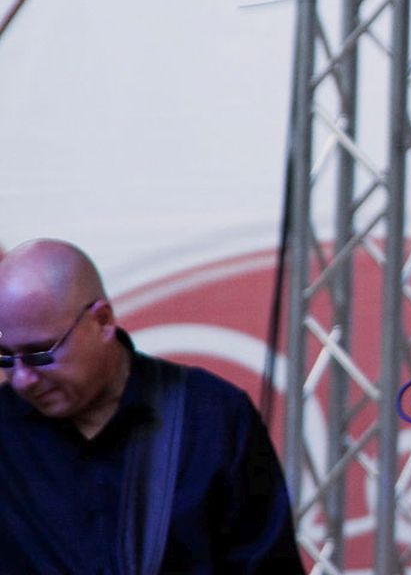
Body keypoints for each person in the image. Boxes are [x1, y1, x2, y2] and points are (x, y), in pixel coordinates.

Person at [0, 239, 304, 574]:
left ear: (102, 320)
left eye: (40, 353)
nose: (22, 379)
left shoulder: (212, 417)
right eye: (5, 357)